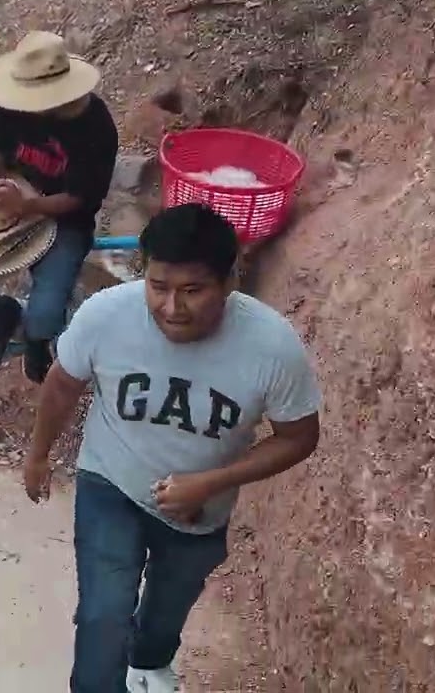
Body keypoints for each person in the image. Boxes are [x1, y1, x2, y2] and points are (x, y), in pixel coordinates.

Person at [24, 203, 322, 693]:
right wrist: (39, 456)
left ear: (230, 280)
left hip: (200, 512)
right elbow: (61, 384)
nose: (171, 308)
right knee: (104, 614)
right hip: (110, 485)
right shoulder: (106, 315)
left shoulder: (272, 347)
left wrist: (209, 482)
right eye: (158, 287)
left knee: (168, 606)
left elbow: (299, 436)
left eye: (192, 291)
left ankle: (150, 664)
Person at [0, 30, 119, 384]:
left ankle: (38, 341)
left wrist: (29, 206)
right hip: (12, 200)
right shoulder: (11, 104)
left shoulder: (95, 126)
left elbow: (80, 198)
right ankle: (3, 322)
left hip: (64, 219)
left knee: (45, 314)